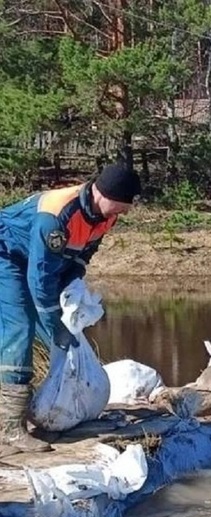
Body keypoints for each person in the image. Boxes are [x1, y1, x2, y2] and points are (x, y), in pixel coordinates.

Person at [0, 163, 140, 456]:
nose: (124, 212)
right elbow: (40, 281)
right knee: (21, 327)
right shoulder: (56, 214)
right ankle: (8, 430)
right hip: (7, 255)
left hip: (36, 260)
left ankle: (41, 409)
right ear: (104, 193)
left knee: (47, 330)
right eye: (123, 205)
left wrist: (70, 295)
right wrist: (56, 325)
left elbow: (80, 258)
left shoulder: (105, 216)